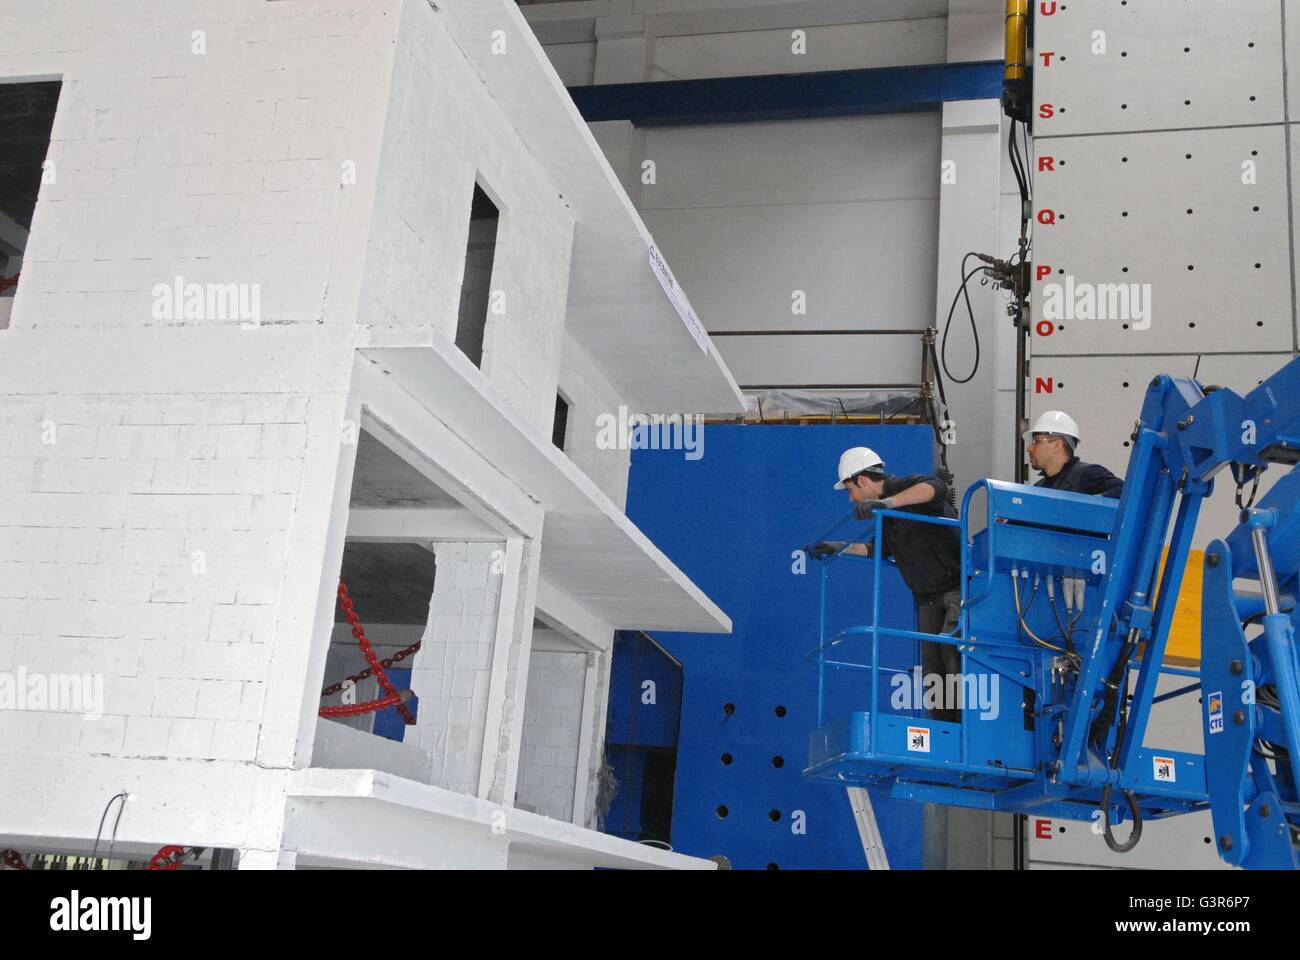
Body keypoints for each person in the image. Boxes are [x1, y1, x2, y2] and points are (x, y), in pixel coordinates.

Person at [810, 447, 964, 723]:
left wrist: (888, 503)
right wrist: (837, 547)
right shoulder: (887, 519)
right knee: (933, 671)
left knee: (952, 650)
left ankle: (968, 724)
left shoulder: (902, 488)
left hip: (957, 588)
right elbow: (877, 549)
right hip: (927, 598)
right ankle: (946, 730)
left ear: (862, 480)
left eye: (850, 489)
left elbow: (935, 488)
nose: (851, 498)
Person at [1024, 411, 1123, 498]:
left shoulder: (1087, 474)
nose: (1029, 449)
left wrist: (1087, 506)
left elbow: (1123, 491)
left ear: (1057, 445)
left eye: (1036, 442)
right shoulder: (1039, 487)